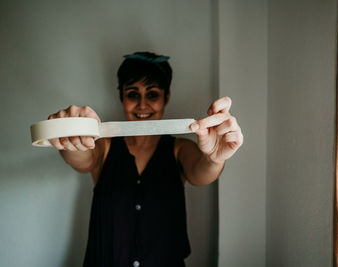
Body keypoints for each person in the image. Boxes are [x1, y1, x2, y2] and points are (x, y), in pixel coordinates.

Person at [48, 52, 243, 267]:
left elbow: (201, 174)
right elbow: (81, 159)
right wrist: (69, 138)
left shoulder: (179, 149)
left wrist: (215, 158)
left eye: (152, 94)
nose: (142, 105)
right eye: (133, 94)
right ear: (122, 96)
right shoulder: (104, 147)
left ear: (166, 97)